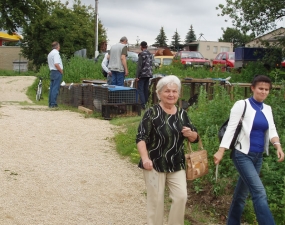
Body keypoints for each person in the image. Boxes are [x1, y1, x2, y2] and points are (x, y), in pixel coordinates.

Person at [214, 75, 284, 225]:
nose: (263, 92)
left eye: (266, 89)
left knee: (241, 194)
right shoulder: (242, 105)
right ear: (252, 88)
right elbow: (231, 129)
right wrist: (221, 151)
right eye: (260, 88)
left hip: (258, 157)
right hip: (242, 155)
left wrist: (278, 146)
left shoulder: (267, 109)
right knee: (259, 192)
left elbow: (272, 130)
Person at [136, 75, 199, 225]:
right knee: (156, 202)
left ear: (178, 94)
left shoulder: (182, 114)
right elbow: (141, 138)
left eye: (174, 91)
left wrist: (191, 134)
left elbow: (195, 138)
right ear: (159, 93)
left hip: (176, 163)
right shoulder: (152, 113)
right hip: (154, 163)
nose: (171, 94)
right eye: (167, 91)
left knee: (181, 197)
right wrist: (145, 159)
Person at [136, 41, 153, 109]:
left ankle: (143, 105)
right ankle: (146, 103)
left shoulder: (141, 54)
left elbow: (139, 66)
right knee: (146, 89)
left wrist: (137, 76)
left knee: (140, 89)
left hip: (142, 74)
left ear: (141, 46)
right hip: (149, 74)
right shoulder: (150, 54)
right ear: (146, 46)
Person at [47, 41, 63, 108]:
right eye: (59, 46)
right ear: (57, 47)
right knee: (55, 88)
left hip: (52, 71)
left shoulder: (50, 54)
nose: (59, 47)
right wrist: (61, 71)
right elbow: (56, 64)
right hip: (57, 71)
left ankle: (50, 103)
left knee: (52, 88)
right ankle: (53, 103)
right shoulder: (56, 53)